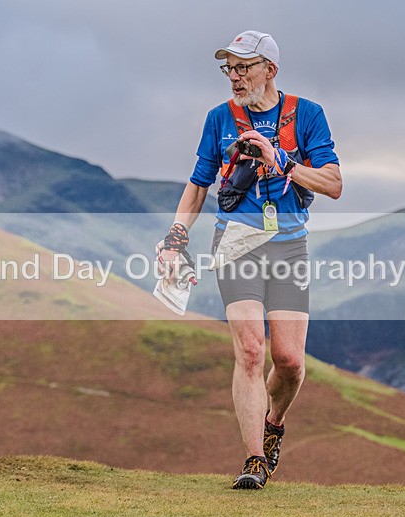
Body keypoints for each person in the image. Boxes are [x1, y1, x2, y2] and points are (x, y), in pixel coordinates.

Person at [159, 30, 342, 489]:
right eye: (230, 68)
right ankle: (254, 461)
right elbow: (199, 183)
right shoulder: (219, 118)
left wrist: (279, 158)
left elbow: (334, 184)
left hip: (289, 244)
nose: (235, 77)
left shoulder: (307, 115)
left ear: (270, 70)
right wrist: (175, 238)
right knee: (250, 350)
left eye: (245, 67)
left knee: (290, 360)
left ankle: (273, 422)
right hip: (236, 242)